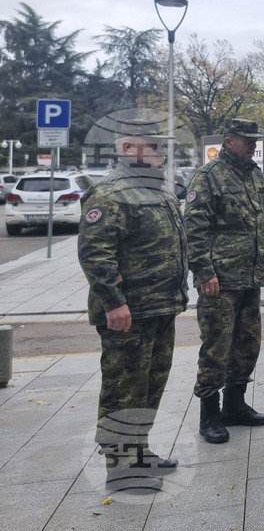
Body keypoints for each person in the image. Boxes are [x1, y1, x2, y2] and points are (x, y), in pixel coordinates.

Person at [78, 113, 188, 492]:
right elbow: (95, 254)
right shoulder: (110, 192)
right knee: (124, 387)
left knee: (149, 385)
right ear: (127, 148)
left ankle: (138, 451)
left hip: (159, 306)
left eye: (163, 146)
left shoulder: (157, 188)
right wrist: (113, 303)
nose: (161, 152)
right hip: (129, 312)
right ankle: (120, 467)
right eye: (154, 146)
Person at [185, 119, 264, 444]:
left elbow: (263, 220)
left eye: (254, 140)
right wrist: (204, 272)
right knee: (216, 348)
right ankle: (209, 415)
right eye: (246, 140)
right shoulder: (209, 176)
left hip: (249, 277)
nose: (252, 145)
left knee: (248, 343)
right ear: (228, 140)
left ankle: (235, 407)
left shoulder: (254, 173)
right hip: (219, 281)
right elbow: (194, 227)